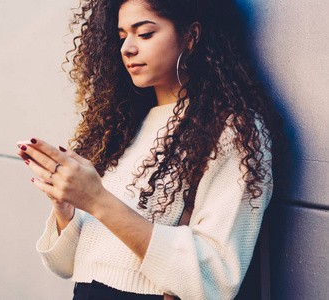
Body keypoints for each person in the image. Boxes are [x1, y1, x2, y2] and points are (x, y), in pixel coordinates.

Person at [17, 0, 283, 299]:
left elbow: (217, 278)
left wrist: (97, 200)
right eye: (122, 37)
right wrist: (65, 204)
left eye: (144, 34)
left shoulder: (232, 131)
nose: (127, 48)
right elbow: (69, 266)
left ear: (191, 35)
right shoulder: (123, 128)